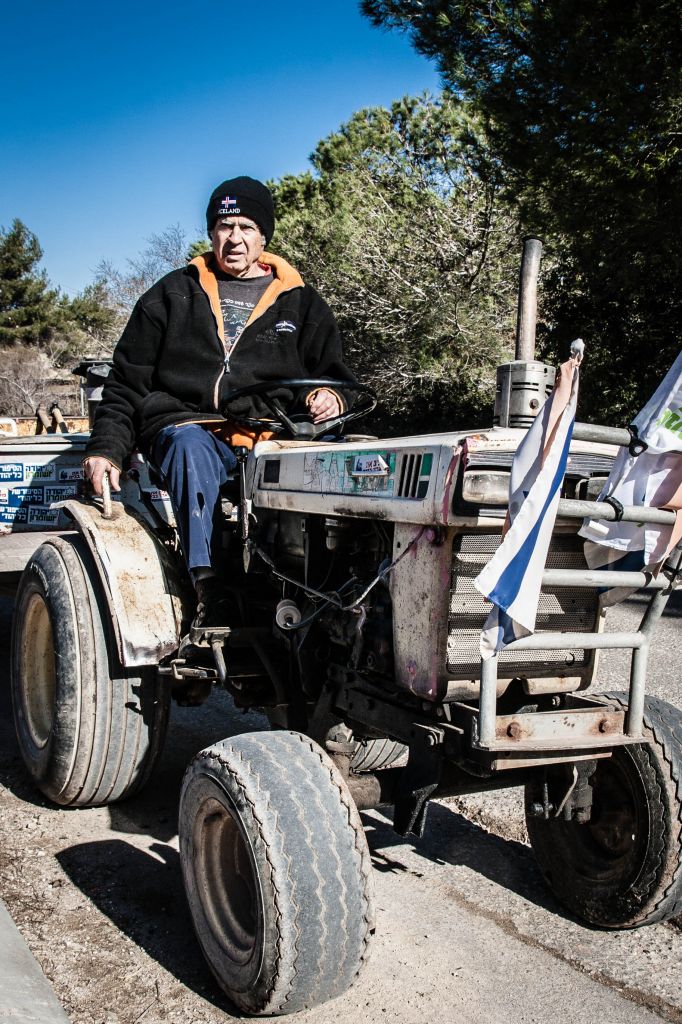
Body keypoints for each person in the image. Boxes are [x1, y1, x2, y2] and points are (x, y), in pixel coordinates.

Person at [83, 175, 353, 630]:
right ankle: (210, 587)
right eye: (225, 226)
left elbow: (333, 377)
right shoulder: (170, 295)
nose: (235, 238)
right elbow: (126, 382)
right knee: (190, 447)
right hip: (190, 427)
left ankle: (319, 586)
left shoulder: (302, 303)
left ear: (264, 234)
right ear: (211, 233)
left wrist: (328, 395)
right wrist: (106, 448)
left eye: (246, 226)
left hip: (273, 433)